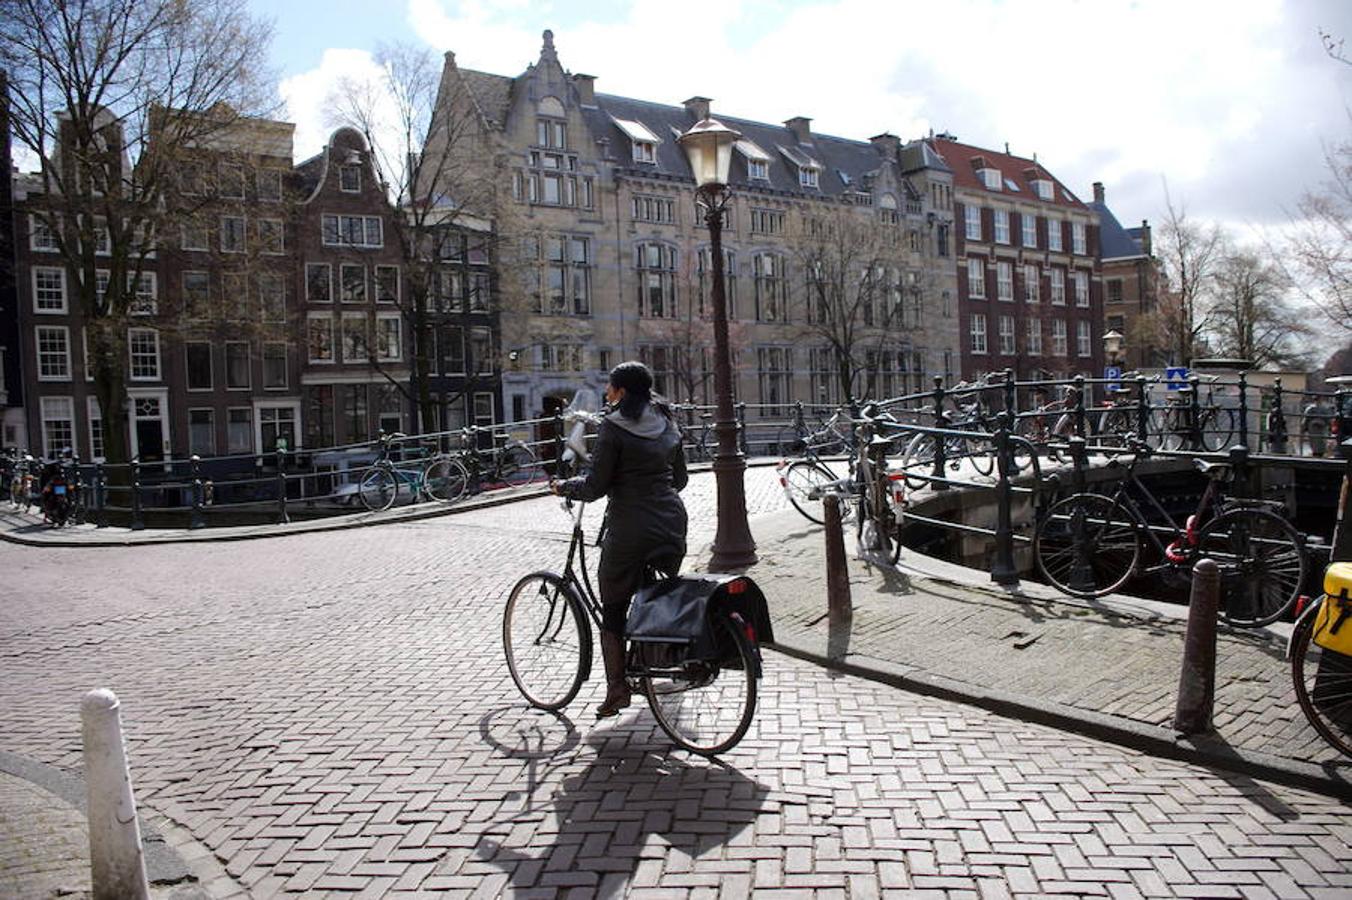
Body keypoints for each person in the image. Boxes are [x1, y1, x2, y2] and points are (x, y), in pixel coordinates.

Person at [550, 361, 689, 718]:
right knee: (653, 591)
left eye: (610, 388)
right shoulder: (667, 421)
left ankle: (617, 690)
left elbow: (595, 487)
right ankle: (651, 659)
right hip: (672, 522)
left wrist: (564, 486)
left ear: (622, 392)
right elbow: (681, 478)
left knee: (612, 607)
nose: (607, 394)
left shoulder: (613, 427)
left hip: (630, 528)